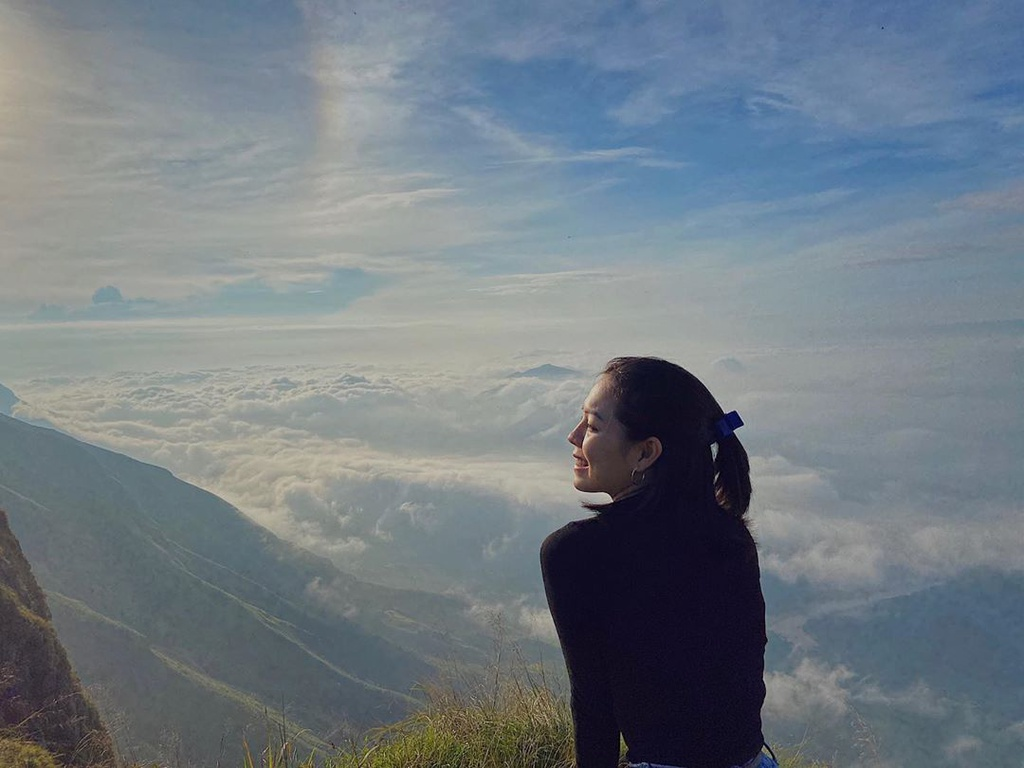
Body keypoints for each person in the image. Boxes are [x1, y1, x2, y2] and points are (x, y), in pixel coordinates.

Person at [540, 357, 775, 768]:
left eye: (593, 426)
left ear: (646, 453)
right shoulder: (731, 538)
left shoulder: (575, 553)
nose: (574, 436)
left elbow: (594, 706)